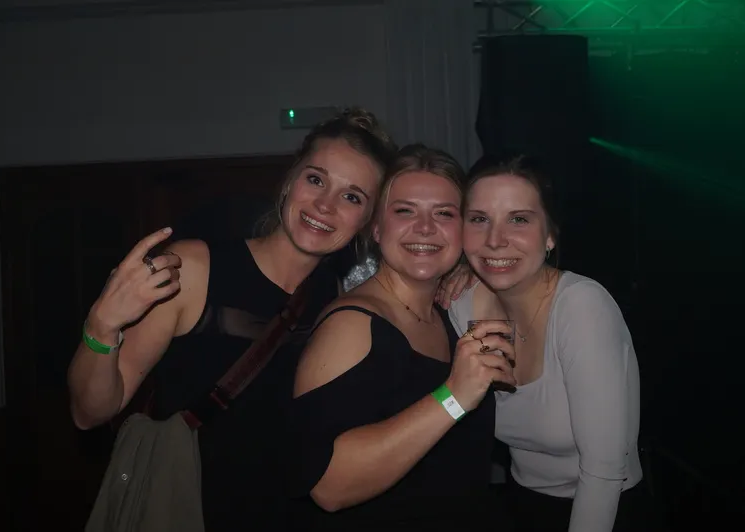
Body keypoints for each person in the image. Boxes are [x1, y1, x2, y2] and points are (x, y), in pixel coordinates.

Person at [67, 108, 397, 532]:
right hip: (186, 509)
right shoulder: (193, 268)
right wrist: (102, 326)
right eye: (316, 179)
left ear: (367, 223)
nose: (324, 205)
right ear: (290, 180)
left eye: (352, 197)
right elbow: (90, 413)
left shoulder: (335, 299)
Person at [289, 144, 516, 530]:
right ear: (377, 228)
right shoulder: (352, 325)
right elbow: (326, 486)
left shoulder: (448, 315)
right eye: (405, 211)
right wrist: (453, 397)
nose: (425, 227)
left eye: (444, 213)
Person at [448, 154, 649, 532]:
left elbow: (604, 472)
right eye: (479, 219)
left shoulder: (582, 307)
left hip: (605, 509)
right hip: (520, 505)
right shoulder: (462, 306)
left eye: (519, 219)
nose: (495, 240)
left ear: (550, 235)